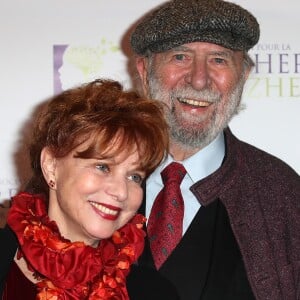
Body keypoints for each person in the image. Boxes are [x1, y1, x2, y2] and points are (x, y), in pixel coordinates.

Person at [126, 0, 300, 299]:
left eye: (219, 60)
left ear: (243, 75)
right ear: (144, 71)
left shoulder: (283, 193)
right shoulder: (89, 181)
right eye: (180, 57)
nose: (198, 79)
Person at [0, 79, 169, 299]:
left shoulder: (156, 292)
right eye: (102, 167)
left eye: (134, 176)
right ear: (51, 166)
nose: (121, 192)